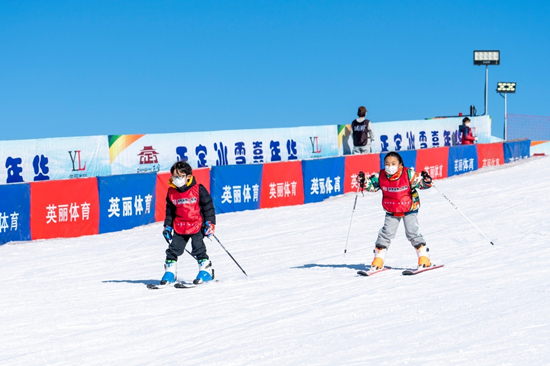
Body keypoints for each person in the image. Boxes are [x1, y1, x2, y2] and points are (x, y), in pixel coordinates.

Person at [356, 151, 434, 272]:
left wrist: (427, 181)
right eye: (387, 163)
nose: (390, 166)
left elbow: (421, 183)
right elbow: (372, 185)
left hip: (409, 208)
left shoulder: (408, 173)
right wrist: (363, 181)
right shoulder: (380, 175)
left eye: (393, 163)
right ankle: (378, 259)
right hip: (392, 208)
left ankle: (424, 258)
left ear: (400, 164)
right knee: (386, 233)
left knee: (412, 232)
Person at [158, 161, 216, 286]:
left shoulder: (198, 189)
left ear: (188, 177)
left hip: (196, 224)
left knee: (198, 247)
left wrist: (210, 223)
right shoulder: (172, 193)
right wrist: (167, 226)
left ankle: (205, 270)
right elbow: (170, 212)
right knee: (174, 249)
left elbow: (208, 207)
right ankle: (170, 272)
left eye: (179, 176)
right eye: (174, 176)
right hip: (180, 226)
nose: (176, 179)